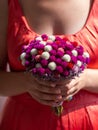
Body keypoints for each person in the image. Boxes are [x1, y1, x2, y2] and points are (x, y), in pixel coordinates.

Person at [0, 0, 98, 129]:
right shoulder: (6, 4)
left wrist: (84, 79)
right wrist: (26, 82)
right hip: (25, 123)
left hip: (88, 122)